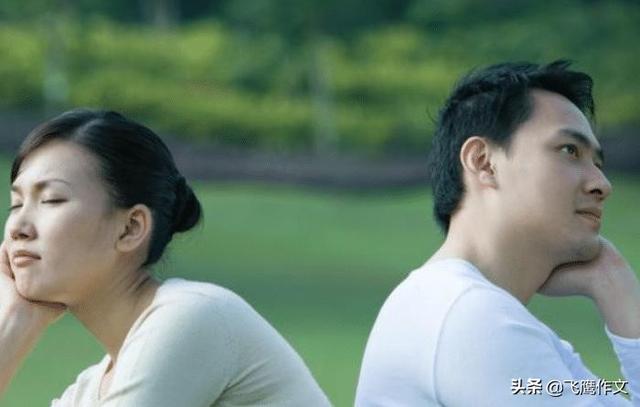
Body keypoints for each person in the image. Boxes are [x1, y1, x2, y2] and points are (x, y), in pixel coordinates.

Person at [355, 61, 640, 406]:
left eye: (597, 163)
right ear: (483, 162)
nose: (602, 184)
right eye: (570, 150)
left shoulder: (467, 310)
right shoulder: (469, 316)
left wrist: (613, 282)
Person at [0, 109, 331, 406]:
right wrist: (15, 321)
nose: (17, 227)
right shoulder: (90, 390)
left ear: (131, 228)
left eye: (52, 199)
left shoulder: (191, 317)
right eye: (16, 204)